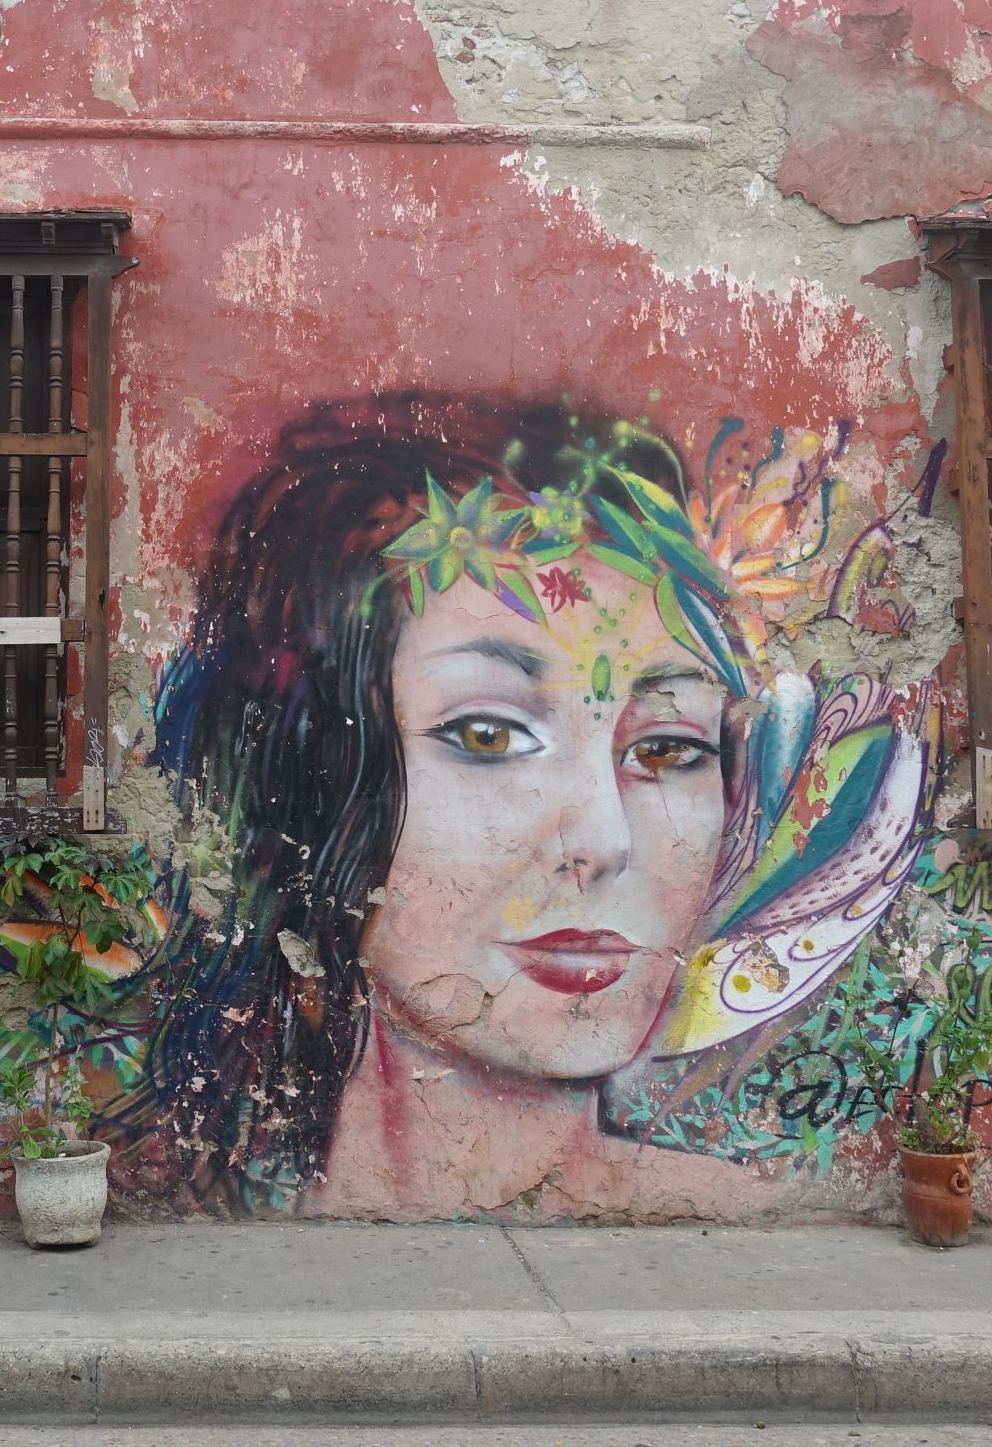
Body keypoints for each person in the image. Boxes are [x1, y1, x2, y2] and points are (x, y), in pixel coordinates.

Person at [141, 395, 930, 1217]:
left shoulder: (745, 1232)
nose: (601, 836)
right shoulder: (195, 1206)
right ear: (311, 776)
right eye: (487, 733)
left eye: (668, 749)